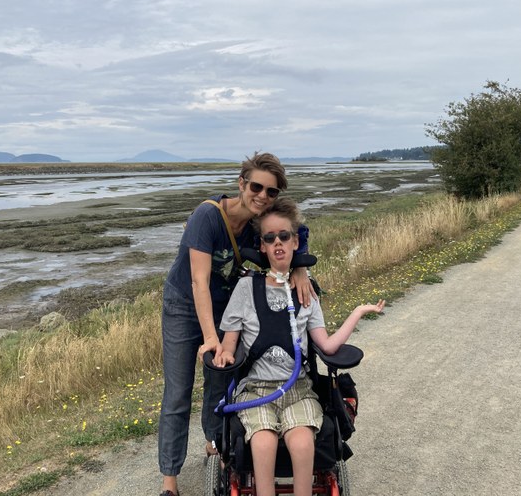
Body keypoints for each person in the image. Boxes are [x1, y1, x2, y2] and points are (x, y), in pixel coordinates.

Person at [158, 152, 315, 496]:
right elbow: (199, 282)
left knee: (220, 381)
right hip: (185, 305)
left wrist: (300, 268)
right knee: (179, 391)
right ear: (241, 183)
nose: (262, 195)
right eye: (256, 186)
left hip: (224, 306)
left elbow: (297, 234)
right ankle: (170, 479)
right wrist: (211, 338)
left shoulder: (259, 224)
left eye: (271, 191)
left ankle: (214, 442)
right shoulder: (208, 217)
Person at [214, 197, 385, 496]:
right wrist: (226, 353)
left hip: (299, 389)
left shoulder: (306, 292)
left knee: (302, 441)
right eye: (270, 238)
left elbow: (327, 345)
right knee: (263, 442)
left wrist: (358, 311)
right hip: (257, 390)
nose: (277, 242)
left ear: (295, 242)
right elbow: (230, 342)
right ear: (263, 247)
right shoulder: (246, 289)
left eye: (284, 236)